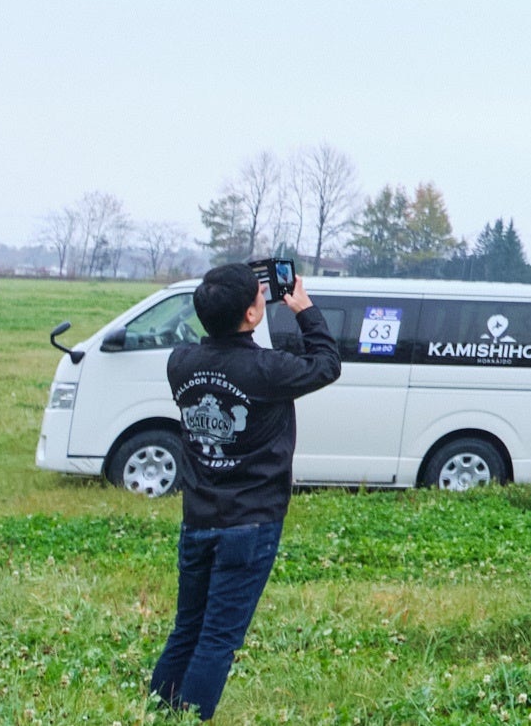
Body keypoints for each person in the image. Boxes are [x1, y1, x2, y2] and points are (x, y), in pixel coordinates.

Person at [148, 261, 341, 718]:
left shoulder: (180, 363)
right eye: (258, 297)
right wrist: (304, 310)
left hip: (197, 519)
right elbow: (327, 364)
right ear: (253, 316)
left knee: (187, 629)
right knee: (217, 638)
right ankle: (192, 718)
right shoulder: (267, 371)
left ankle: (157, 714)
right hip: (250, 523)